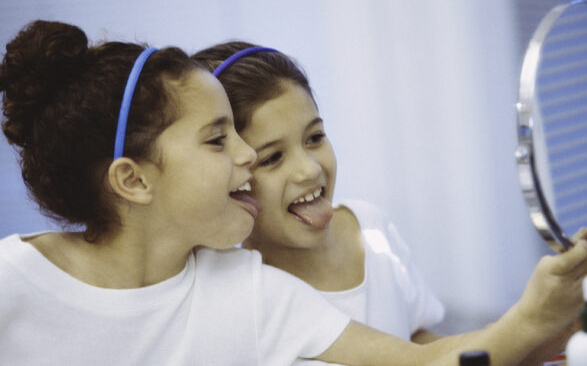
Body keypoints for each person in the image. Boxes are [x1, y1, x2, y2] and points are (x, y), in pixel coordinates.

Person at [0, 20, 458, 366]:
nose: (247, 158)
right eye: (219, 140)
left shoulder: (245, 288)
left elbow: (418, 355)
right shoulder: (11, 283)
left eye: (315, 137)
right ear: (134, 180)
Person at [192, 41, 587, 365]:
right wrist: (533, 320)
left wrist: (566, 332)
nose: (309, 169)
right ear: (230, 176)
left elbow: (423, 347)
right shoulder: (239, 291)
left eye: (315, 137)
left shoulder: (370, 227)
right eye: (272, 158)